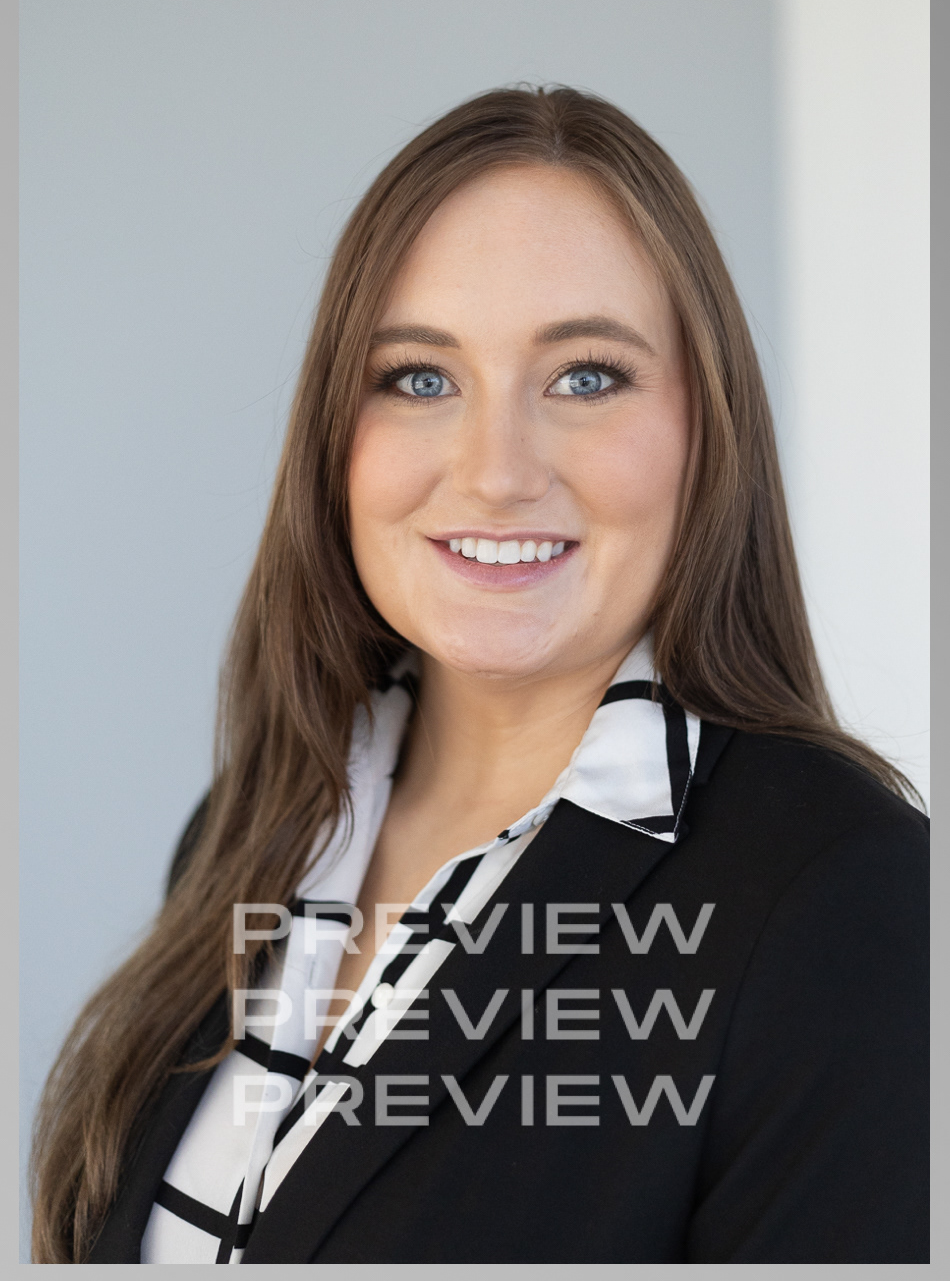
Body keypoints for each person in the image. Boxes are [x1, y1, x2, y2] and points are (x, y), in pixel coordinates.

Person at [30, 86, 928, 1264]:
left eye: (585, 376)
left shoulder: (847, 900)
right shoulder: (262, 822)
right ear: (334, 434)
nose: (496, 471)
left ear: (706, 426)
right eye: (418, 377)